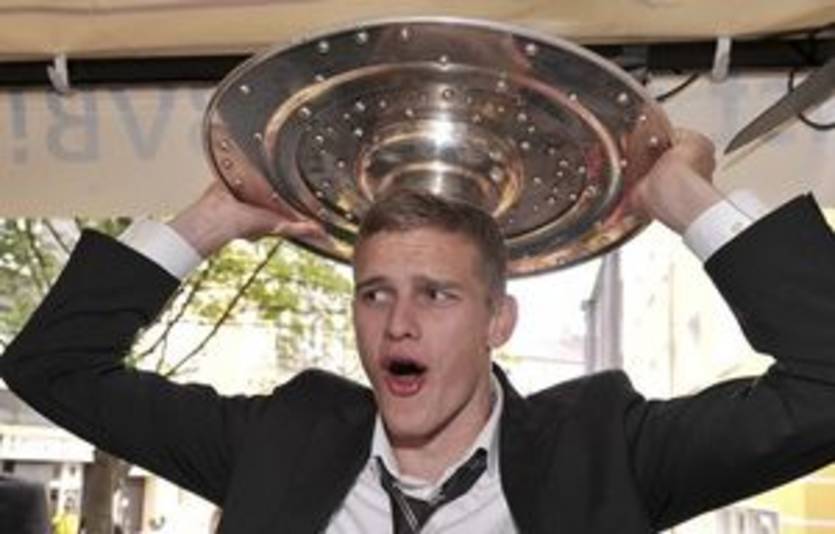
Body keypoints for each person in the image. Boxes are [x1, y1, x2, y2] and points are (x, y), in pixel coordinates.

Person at [1, 128, 835, 533]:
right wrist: (214, 218)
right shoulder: (280, 439)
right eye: (374, 294)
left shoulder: (603, 450)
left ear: (496, 320)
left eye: (436, 295)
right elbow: (53, 366)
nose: (397, 323)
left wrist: (682, 198)